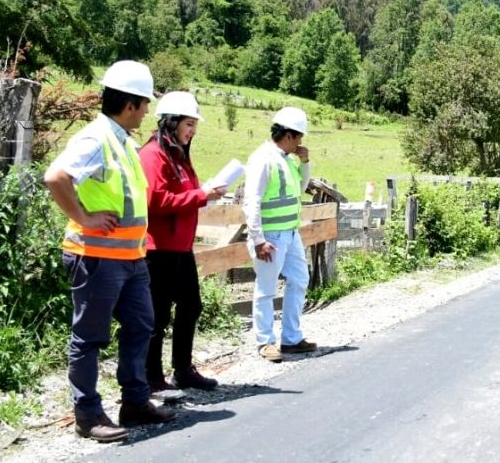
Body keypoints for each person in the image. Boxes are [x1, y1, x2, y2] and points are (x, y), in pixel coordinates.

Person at [43, 61, 175, 443]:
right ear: (131, 104)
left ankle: (134, 402)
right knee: (90, 338)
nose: (148, 110)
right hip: (97, 257)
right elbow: (56, 177)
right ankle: (87, 414)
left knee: (141, 326)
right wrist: (83, 216)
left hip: (130, 258)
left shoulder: (122, 141)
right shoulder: (96, 138)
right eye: (145, 103)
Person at [138, 91, 226, 393]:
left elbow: (183, 194)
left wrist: (203, 193)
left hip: (179, 247)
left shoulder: (178, 154)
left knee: (191, 305)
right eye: (189, 124)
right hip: (158, 248)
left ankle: (182, 369)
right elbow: (156, 201)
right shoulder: (153, 155)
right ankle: (151, 376)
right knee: (158, 313)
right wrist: (202, 195)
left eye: (194, 125)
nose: (193, 131)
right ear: (172, 122)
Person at [243, 107, 316, 362]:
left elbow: (302, 187)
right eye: (298, 137)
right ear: (288, 135)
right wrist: (258, 238)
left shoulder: (286, 158)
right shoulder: (263, 159)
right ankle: (265, 342)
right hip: (271, 236)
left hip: (290, 232)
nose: (300, 143)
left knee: (299, 279)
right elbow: (251, 200)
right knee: (266, 288)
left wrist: (305, 162)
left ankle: (292, 338)